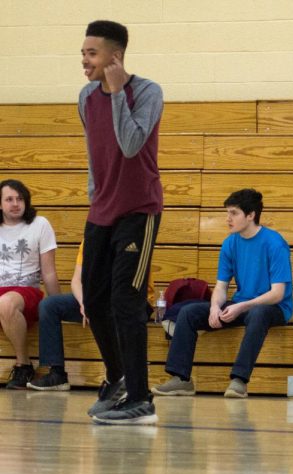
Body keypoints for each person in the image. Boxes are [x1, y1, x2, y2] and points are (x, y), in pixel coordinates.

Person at [79, 20, 163, 425]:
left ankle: (142, 398)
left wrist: (116, 95)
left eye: (92, 53)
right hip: (102, 211)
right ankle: (117, 379)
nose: (84, 61)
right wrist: (96, 191)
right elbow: (96, 151)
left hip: (138, 211)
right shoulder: (84, 96)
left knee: (126, 302)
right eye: (83, 53)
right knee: (93, 301)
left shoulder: (148, 92)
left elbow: (130, 145)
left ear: (115, 56)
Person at [152, 189, 293, 399]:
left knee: (258, 313)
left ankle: (239, 381)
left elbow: (277, 294)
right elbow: (221, 286)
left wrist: (241, 306)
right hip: (240, 305)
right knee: (189, 312)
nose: (228, 219)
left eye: (234, 213)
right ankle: (181, 380)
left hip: (274, 308)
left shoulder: (275, 243)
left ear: (251, 215)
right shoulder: (230, 243)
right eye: (227, 213)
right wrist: (215, 306)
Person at [27, 240, 154, 391]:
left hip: (133, 300)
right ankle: (57, 374)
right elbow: (76, 280)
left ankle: (121, 376)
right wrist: (84, 303)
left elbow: (130, 285)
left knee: (113, 311)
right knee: (49, 305)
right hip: (97, 299)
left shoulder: (132, 239)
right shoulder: (92, 239)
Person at [0, 180, 61, 389]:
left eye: (20, 199)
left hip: (26, 293)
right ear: (0, 204)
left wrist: (56, 307)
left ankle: (24, 365)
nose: (16, 203)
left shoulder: (39, 224)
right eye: (9, 199)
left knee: (5, 303)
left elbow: (49, 272)